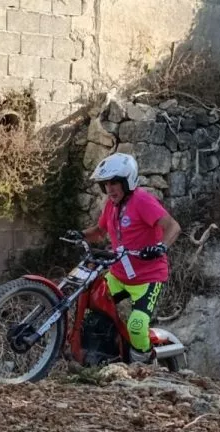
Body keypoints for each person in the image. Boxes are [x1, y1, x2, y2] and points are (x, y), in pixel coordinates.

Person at [69, 152, 182, 363]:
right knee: (94, 302)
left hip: (148, 277)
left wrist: (160, 247)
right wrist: (79, 234)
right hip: (119, 274)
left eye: (114, 183)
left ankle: (144, 364)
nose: (109, 189)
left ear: (127, 181)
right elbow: (99, 231)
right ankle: (107, 350)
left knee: (137, 325)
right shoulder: (111, 205)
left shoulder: (142, 201)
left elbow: (173, 227)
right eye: (105, 184)